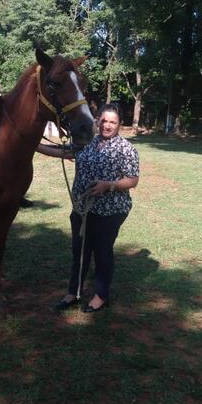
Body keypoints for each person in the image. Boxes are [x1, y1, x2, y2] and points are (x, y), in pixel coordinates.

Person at [38, 104, 139, 313]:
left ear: (119, 124)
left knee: (102, 252)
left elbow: (132, 180)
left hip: (110, 211)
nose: (107, 125)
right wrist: (33, 145)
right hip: (82, 210)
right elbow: (61, 152)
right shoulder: (87, 144)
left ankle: (101, 296)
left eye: (112, 122)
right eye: (104, 121)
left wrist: (108, 185)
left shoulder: (126, 149)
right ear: (97, 121)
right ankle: (73, 293)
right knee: (80, 251)